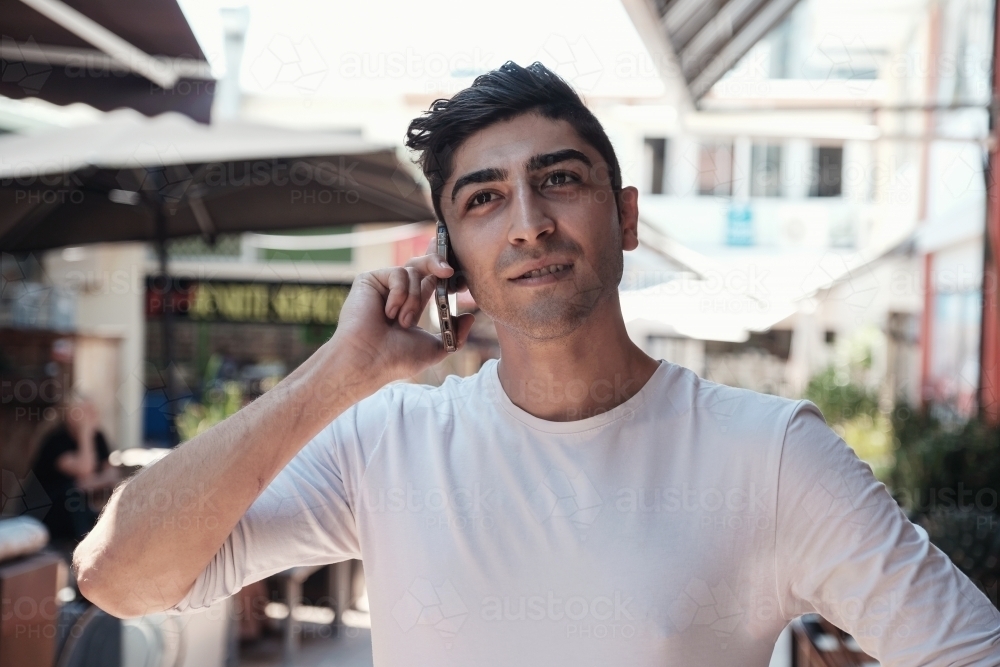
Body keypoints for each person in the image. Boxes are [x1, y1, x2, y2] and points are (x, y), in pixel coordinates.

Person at [73, 62, 1000, 665]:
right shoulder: (386, 441)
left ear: (624, 216)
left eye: (558, 178)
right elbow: (120, 578)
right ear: (450, 254)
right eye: (484, 198)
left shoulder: (772, 455)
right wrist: (337, 376)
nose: (527, 220)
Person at [29, 400, 120, 549]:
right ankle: (85, 546)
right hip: (47, 511)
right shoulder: (56, 441)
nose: (94, 416)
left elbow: (112, 474)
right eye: (87, 413)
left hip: (80, 509)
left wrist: (89, 483)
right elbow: (84, 469)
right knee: (72, 493)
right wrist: (85, 432)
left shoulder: (98, 437)